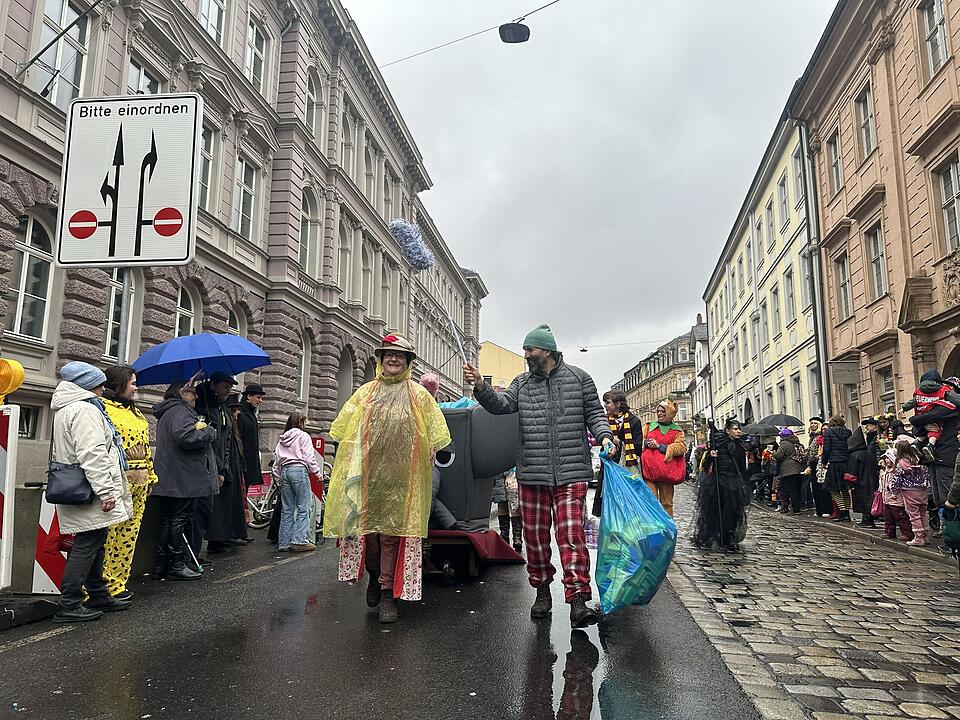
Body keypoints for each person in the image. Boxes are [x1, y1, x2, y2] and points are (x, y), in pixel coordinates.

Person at [463, 323, 616, 628]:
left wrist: (605, 436)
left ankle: (578, 600)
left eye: (530, 349)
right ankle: (542, 590)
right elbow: (500, 406)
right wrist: (481, 387)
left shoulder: (579, 378)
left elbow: (595, 414)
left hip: (571, 472)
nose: (526, 355)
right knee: (534, 538)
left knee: (571, 537)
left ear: (547, 350)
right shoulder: (521, 383)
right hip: (532, 472)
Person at [324, 334, 451, 624]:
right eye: (388, 355)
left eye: (399, 356)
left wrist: (429, 447)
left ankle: (386, 593)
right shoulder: (365, 392)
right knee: (368, 536)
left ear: (407, 362)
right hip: (367, 477)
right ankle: (373, 575)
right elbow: (343, 429)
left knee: (392, 536)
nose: (393, 359)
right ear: (381, 359)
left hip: (402, 480)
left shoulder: (419, 395)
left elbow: (437, 433)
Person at [50, 362, 133, 623]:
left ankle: (98, 594)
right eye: (99, 384)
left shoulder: (69, 408)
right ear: (88, 385)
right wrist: (106, 491)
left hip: (81, 485)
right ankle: (70, 603)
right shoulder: (84, 410)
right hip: (90, 488)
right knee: (87, 545)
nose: (102, 389)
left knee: (94, 541)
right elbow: (93, 454)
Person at [151, 378, 218, 580]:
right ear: (181, 392)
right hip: (182, 477)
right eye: (192, 391)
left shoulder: (169, 411)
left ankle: (161, 565)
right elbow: (186, 436)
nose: (196, 395)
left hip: (173, 477)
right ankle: (176, 564)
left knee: (169, 519)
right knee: (179, 520)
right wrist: (208, 431)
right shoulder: (180, 411)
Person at [101, 366, 158, 601]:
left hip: (140, 483)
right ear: (118, 384)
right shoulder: (103, 409)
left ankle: (118, 583)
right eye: (132, 383)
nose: (136, 388)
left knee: (128, 535)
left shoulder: (136, 412)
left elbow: (145, 448)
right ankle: (99, 585)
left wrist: (151, 476)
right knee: (109, 536)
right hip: (118, 480)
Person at [194, 371, 244, 555]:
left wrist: (225, 466)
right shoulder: (205, 406)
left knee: (223, 503)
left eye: (229, 388)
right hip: (212, 462)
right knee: (208, 507)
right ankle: (209, 543)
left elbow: (227, 438)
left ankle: (220, 537)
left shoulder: (222, 407)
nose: (227, 391)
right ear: (213, 385)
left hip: (223, 462)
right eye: (224, 387)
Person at [693, 418, 749, 551]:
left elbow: (742, 468)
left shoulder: (740, 447)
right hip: (717, 481)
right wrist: (711, 456)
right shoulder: (718, 444)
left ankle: (728, 535)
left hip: (733, 482)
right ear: (728, 430)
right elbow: (705, 466)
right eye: (735, 429)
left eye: (739, 429)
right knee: (714, 510)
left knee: (732, 510)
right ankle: (710, 534)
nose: (738, 431)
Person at [272, 411, 322, 553]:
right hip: (299, 470)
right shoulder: (303, 436)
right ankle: (299, 540)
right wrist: (317, 473)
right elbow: (308, 457)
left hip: (285, 472)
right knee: (304, 507)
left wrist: (278, 479)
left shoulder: (282, 438)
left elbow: (276, 463)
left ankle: (284, 542)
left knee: (287, 509)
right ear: (301, 422)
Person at [640, 400, 687, 517]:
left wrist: (661, 446)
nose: (660, 414)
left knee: (666, 503)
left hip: (666, 473)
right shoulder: (648, 426)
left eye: (663, 412)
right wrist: (646, 444)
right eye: (658, 412)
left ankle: (667, 528)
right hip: (649, 472)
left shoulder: (677, 430)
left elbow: (681, 447)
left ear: (670, 413)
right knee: (651, 500)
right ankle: (652, 527)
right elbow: (639, 440)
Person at [902, 370, 960, 461]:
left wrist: (918, 422)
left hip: (946, 456)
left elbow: (919, 419)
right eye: (947, 386)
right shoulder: (938, 400)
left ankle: (921, 445)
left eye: (952, 387)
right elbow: (915, 429)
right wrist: (923, 425)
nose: (949, 388)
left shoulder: (951, 407)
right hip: (932, 459)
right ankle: (919, 445)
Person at [236, 383, 267, 537]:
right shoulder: (241, 412)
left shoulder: (250, 413)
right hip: (242, 463)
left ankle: (241, 531)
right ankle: (238, 532)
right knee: (239, 498)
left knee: (243, 497)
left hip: (248, 463)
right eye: (258, 397)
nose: (260, 401)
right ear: (248, 397)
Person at [889, 438, 931, 546]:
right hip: (922, 490)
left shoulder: (901, 463)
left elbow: (897, 478)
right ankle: (925, 535)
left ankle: (918, 537)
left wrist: (893, 492)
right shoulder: (917, 460)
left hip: (909, 491)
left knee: (914, 514)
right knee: (923, 512)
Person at [849, 417, 881, 528]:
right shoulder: (866, 452)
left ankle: (867, 520)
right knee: (870, 498)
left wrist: (850, 484)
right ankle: (868, 519)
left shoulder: (855, 455)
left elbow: (851, 472)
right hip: (871, 478)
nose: (866, 428)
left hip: (861, 481)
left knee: (864, 500)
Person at [822, 414, 854, 522]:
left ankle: (843, 511)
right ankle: (847, 514)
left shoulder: (828, 432)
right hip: (846, 463)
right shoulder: (848, 432)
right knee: (845, 489)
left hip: (834, 463)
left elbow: (826, 449)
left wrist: (823, 462)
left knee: (833, 489)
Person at [879, 444, 913, 541]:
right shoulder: (885, 471)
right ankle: (889, 532)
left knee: (901, 518)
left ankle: (906, 533)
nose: (886, 461)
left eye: (888, 459)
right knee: (888, 518)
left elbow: (898, 483)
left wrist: (891, 487)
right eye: (885, 459)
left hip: (896, 499)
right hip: (886, 499)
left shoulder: (896, 471)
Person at [773, 428, 805, 514]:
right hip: (798, 468)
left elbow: (779, 456)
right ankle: (797, 507)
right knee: (796, 489)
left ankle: (795, 509)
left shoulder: (784, 443)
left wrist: (773, 452)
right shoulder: (796, 442)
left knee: (790, 489)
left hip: (788, 470)